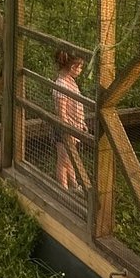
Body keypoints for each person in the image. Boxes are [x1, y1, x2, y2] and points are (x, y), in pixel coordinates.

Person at [51, 48, 87, 191]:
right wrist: (68, 130)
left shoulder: (70, 81)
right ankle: (63, 190)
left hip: (74, 126)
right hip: (66, 128)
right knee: (63, 160)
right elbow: (62, 112)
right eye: (80, 67)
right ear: (73, 67)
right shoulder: (61, 85)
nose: (81, 70)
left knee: (71, 158)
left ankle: (74, 184)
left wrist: (81, 122)